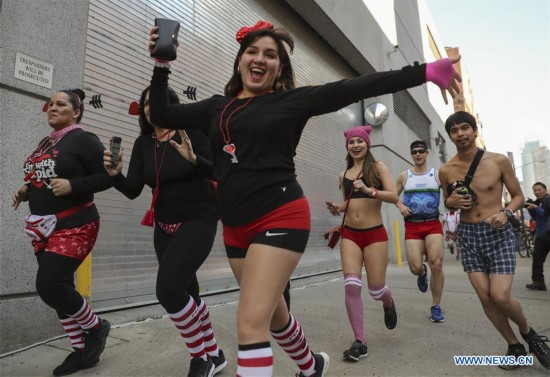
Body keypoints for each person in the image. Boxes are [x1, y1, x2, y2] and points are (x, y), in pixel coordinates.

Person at [147, 19, 462, 376]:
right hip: (235, 229)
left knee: (251, 324)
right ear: (240, 60)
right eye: (252, 51)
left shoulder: (291, 102)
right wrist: (161, 63)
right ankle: (312, 367)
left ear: (280, 69)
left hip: (280, 217)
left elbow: (357, 85)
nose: (260, 59)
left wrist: (425, 71)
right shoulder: (216, 107)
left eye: (271, 55)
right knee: (276, 317)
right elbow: (161, 114)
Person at [103, 86, 226, 377]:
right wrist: (115, 175)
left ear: (170, 104)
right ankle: (214, 353)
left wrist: (195, 159)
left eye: (155, 101)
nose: (149, 107)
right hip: (164, 225)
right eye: (145, 104)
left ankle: (200, 360)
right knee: (188, 292)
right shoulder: (143, 143)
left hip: (199, 219)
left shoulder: (192, 133)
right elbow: (133, 190)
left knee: (168, 290)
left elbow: (218, 171)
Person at [12, 89, 112, 376]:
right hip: (43, 227)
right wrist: (27, 189)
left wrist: (74, 186)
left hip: (75, 223)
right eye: (50, 104)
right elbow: (42, 177)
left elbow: (108, 176)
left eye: (60, 104)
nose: (52, 108)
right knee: (60, 290)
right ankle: (81, 352)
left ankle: (97, 327)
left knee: (50, 285)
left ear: (76, 111)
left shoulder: (84, 140)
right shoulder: (46, 142)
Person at [439, 111, 550, 370]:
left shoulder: (498, 161)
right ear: (450, 136)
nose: (460, 134)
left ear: (475, 131)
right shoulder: (445, 170)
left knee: (500, 296)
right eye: (454, 131)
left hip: (498, 233)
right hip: (469, 235)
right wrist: (449, 202)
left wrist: (506, 212)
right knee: (485, 297)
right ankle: (514, 346)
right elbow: (449, 203)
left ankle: (529, 334)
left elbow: (518, 196)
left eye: (465, 128)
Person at [325, 125, 398, 362]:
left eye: (360, 141)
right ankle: (360, 342)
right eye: (351, 142)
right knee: (352, 285)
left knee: (376, 290)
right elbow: (348, 202)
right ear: (346, 147)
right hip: (351, 236)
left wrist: (370, 190)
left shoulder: (378, 168)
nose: (355, 145)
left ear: (367, 144)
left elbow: (394, 196)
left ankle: (388, 302)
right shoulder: (343, 175)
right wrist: (338, 207)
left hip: (374, 234)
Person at [395, 141, 446, 323]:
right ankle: (422, 273)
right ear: (411, 155)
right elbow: (393, 195)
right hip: (413, 226)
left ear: (427, 153)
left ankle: (436, 307)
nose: (418, 154)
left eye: (421, 151)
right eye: (414, 152)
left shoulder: (437, 175)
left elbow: (449, 197)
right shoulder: (404, 176)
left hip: (433, 224)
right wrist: (400, 206)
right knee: (415, 267)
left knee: (437, 263)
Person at [525, 182, 550, 291]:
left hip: (547, 233)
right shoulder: (538, 202)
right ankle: (538, 282)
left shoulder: (548, 200)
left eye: (539, 190)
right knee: (537, 258)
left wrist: (535, 207)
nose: (537, 192)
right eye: (535, 190)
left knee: (538, 258)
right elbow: (537, 218)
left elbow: (545, 215)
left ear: (545, 190)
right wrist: (531, 209)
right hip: (542, 235)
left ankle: (538, 281)